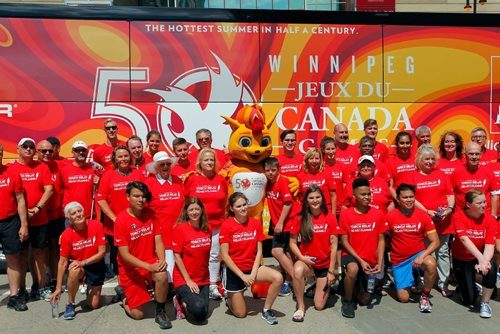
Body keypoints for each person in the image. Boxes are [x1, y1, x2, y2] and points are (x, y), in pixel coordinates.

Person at [114, 181, 171, 329]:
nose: (141, 200)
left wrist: (162, 260)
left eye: (143, 196)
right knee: (138, 315)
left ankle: (160, 312)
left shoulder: (151, 214)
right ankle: (123, 295)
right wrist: (149, 267)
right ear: (128, 197)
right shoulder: (121, 220)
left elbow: (158, 240)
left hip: (149, 260)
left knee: (162, 275)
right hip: (130, 268)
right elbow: (124, 255)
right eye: (136, 196)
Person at [220, 192, 283, 324]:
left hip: (251, 268)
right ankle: (229, 298)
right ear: (232, 208)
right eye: (238, 206)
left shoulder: (255, 223)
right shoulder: (227, 225)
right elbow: (224, 256)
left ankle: (266, 310)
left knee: (278, 277)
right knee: (241, 314)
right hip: (234, 272)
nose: (243, 208)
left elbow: (259, 251)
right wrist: (243, 277)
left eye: (244, 205)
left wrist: (253, 274)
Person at [404, 144, 455, 297]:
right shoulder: (411, 176)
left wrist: (449, 209)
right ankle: (423, 282)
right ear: (420, 160)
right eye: (426, 159)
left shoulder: (441, 174)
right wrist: (426, 211)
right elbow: (411, 198)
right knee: (425, 253)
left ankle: (443, 284)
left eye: (432, 159)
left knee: (443, 252)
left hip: (443, 221)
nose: (429, 162)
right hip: (422, 221)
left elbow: (450, 194)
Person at [10, 138, 54, 301]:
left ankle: (40, 287)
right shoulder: (11, 168)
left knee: (39, 254)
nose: (29, 149)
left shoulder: (42, 167)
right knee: (20, 255)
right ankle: (22, 289)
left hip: (39, 219)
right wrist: (22, 214)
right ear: (18, 149)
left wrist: (36, 209)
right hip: (18, 221)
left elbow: (49, 190)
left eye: (31, 147)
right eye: (25, 146)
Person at [385, 184, 439, 312]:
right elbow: (383, 238)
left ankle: (424, 296)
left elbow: (435, 242)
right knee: (404, 298)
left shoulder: (423, 215)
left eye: (411, 197)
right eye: (405, 197)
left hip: (418, 254)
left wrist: (422, 256)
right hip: (399, 259)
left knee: (431, 263)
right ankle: (413, 276)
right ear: (398, 199)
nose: (409, 200)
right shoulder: (390, 216)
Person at [289, 186, 339, 322]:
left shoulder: (330, 217)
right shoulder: (300, 218)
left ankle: (326, 283)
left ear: (322, 199)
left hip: (324, 266)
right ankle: (300, 306)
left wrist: (330, 271)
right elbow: (292, 243)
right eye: (311, 198)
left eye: (318, 197)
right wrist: (301, 257)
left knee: (319, 306)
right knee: (297, 270)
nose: (315, 200)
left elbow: (334, 246)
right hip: (308, 263)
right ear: (306, 201)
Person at [184, 148, 228, 300]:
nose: (209, 162)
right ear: (200, 162)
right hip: (197, 225)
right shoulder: (192, 179)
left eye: (212, 160)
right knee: (197, 255)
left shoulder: (221, 179)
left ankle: (213, 285)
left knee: (214, 255)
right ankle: (194, 282)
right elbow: (186, 201)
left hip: (217, 225)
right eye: (206, 160)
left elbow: (225, 201)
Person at [50, 202, 106, 320]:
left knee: (94, 305)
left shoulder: (97, 225)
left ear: (84, 212)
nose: (78, 215)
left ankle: (90, 288)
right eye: (74, 213)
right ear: (69, 219)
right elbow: (62, 262)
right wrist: (58, 288)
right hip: (79, 265)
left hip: (95, 264)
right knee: (74, 270)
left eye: (79, 211)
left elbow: (102, 253)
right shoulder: (66, 235)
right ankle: (71, 303)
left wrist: (84, 262)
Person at [339, 178, 385, 318]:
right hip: (352, 256)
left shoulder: (378, 214)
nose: (367, 197)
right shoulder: (346, 214)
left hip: (370, 259)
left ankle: (347, 284)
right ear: (354, 196)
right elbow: (344, 242)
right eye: (363, 194)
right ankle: (347, 301)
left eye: (368, 194)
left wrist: (380, 262)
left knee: (364, 301)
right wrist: (360, 260)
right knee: (353, 269)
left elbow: (381, 239)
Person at [97, 145, 145, 276]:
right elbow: (101, 199)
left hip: (136, 224)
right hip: (115, 226)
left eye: (126, 156)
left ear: (130, 157)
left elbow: (145, 196)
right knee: (119, 258)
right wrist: (114, 218)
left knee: (138, 254)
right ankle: (122, 287)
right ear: (115, 159)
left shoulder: (138, 174)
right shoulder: (108, 175)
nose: (123, 159)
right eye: (120, 156)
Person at [451, 189, 497, 318]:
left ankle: (485, 303)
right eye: (479, 203)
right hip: (462, 258)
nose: (483, 205)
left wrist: (484, 261)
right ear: (469, 205)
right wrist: (480, 258)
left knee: (491, 267)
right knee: (469, 300)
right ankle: (469, 284)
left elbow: (489, 245)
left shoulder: (490, 219)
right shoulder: (458, 216)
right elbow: (464, 239)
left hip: (480, 257)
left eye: (484, 202)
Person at [144, 151, 184, 286]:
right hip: (160, 235)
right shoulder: (149, 183)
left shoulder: (178, 181)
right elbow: (144, 210)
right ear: (156, 167)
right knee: (167, 271)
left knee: (180, 268)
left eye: (168, 164)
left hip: (179, 233)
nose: (166, 167)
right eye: (162, 164)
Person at [172, 197, 212, 322]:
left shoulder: (207, 228)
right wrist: (188, 280)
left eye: (197, 209)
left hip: (203, 278)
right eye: (191, 210)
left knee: (202, 313)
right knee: (198, 309)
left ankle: (188, 299)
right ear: (186, 212)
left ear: (201, 210)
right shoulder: (180, 229)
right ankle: (178, 299)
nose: (194, 212)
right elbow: (177, 256)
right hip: (184, 278)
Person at [1, 143, 29, 311]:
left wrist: (24, 224)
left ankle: (14, 296)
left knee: (13, 259)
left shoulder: (12, 173)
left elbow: (20, 200)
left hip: (9, 222)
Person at [263, 157, 296, 297]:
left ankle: (293, 279)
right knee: (282, 252)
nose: (270, 173)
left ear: (278, 170)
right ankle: (292, 278)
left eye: (273, 170)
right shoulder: (267, 184)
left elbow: (288, 203)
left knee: (281, 252)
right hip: (277, 222)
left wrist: (281, 222)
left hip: (288, 223)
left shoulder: (282, 182)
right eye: (267, 170)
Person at [37, 139, 64, 289]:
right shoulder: (33, 167)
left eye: (50, 151)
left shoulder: (59, 165)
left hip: (55, 215)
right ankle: (41, 279)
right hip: (38, 216)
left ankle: (53, 277)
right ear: (37, 152)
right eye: (43, 151)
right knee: (38, 250)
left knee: (55, 247)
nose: (47, 154)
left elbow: (80, 166)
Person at [451, 141, 498, 216]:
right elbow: (450, 195)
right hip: (462, 217)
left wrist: (493, 216)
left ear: (481, 155)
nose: (474, 157)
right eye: (471, 154)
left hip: (484, 217)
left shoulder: (488, 172)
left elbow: (494, 195)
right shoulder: (456, 172)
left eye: (477, 154)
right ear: (465, 155)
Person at [60, 141, 98, 219]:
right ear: (73, 152)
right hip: (70, 214)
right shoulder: (64, 170)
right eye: (77, 150)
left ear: (87, 152)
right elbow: (60, 191)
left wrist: (97, 184)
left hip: (87, 214)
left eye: (83, 150)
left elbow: (97, 192)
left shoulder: (93, 169)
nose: (81, 152)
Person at [297, 148, 336, 214]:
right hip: (307, 213)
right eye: (311, 158)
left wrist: (333, 215)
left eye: (317, 158)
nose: (314, 161)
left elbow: (333, 196)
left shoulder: (327, 173)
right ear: (307, 160)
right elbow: (298, 198)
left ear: (321, 160)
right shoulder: (300, 176)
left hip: (325, 211)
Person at [321, 136, 346, 217]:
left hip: (340, 208)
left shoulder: (342, 166)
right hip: (325, 208)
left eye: (333, 149)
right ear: (323, 150)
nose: (331, 152)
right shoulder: (320, 167)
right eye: (328, 149)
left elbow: (345, 188)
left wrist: (344, 205)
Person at [386, 131, 416, 198]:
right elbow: (390, 187)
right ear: (397, 144)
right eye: (402, 143)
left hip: (417, 197)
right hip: (399, 198)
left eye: (407, 143)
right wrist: (399, 200)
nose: (405, 146)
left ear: (411, 144)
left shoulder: (417, 158)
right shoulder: (390, 162)